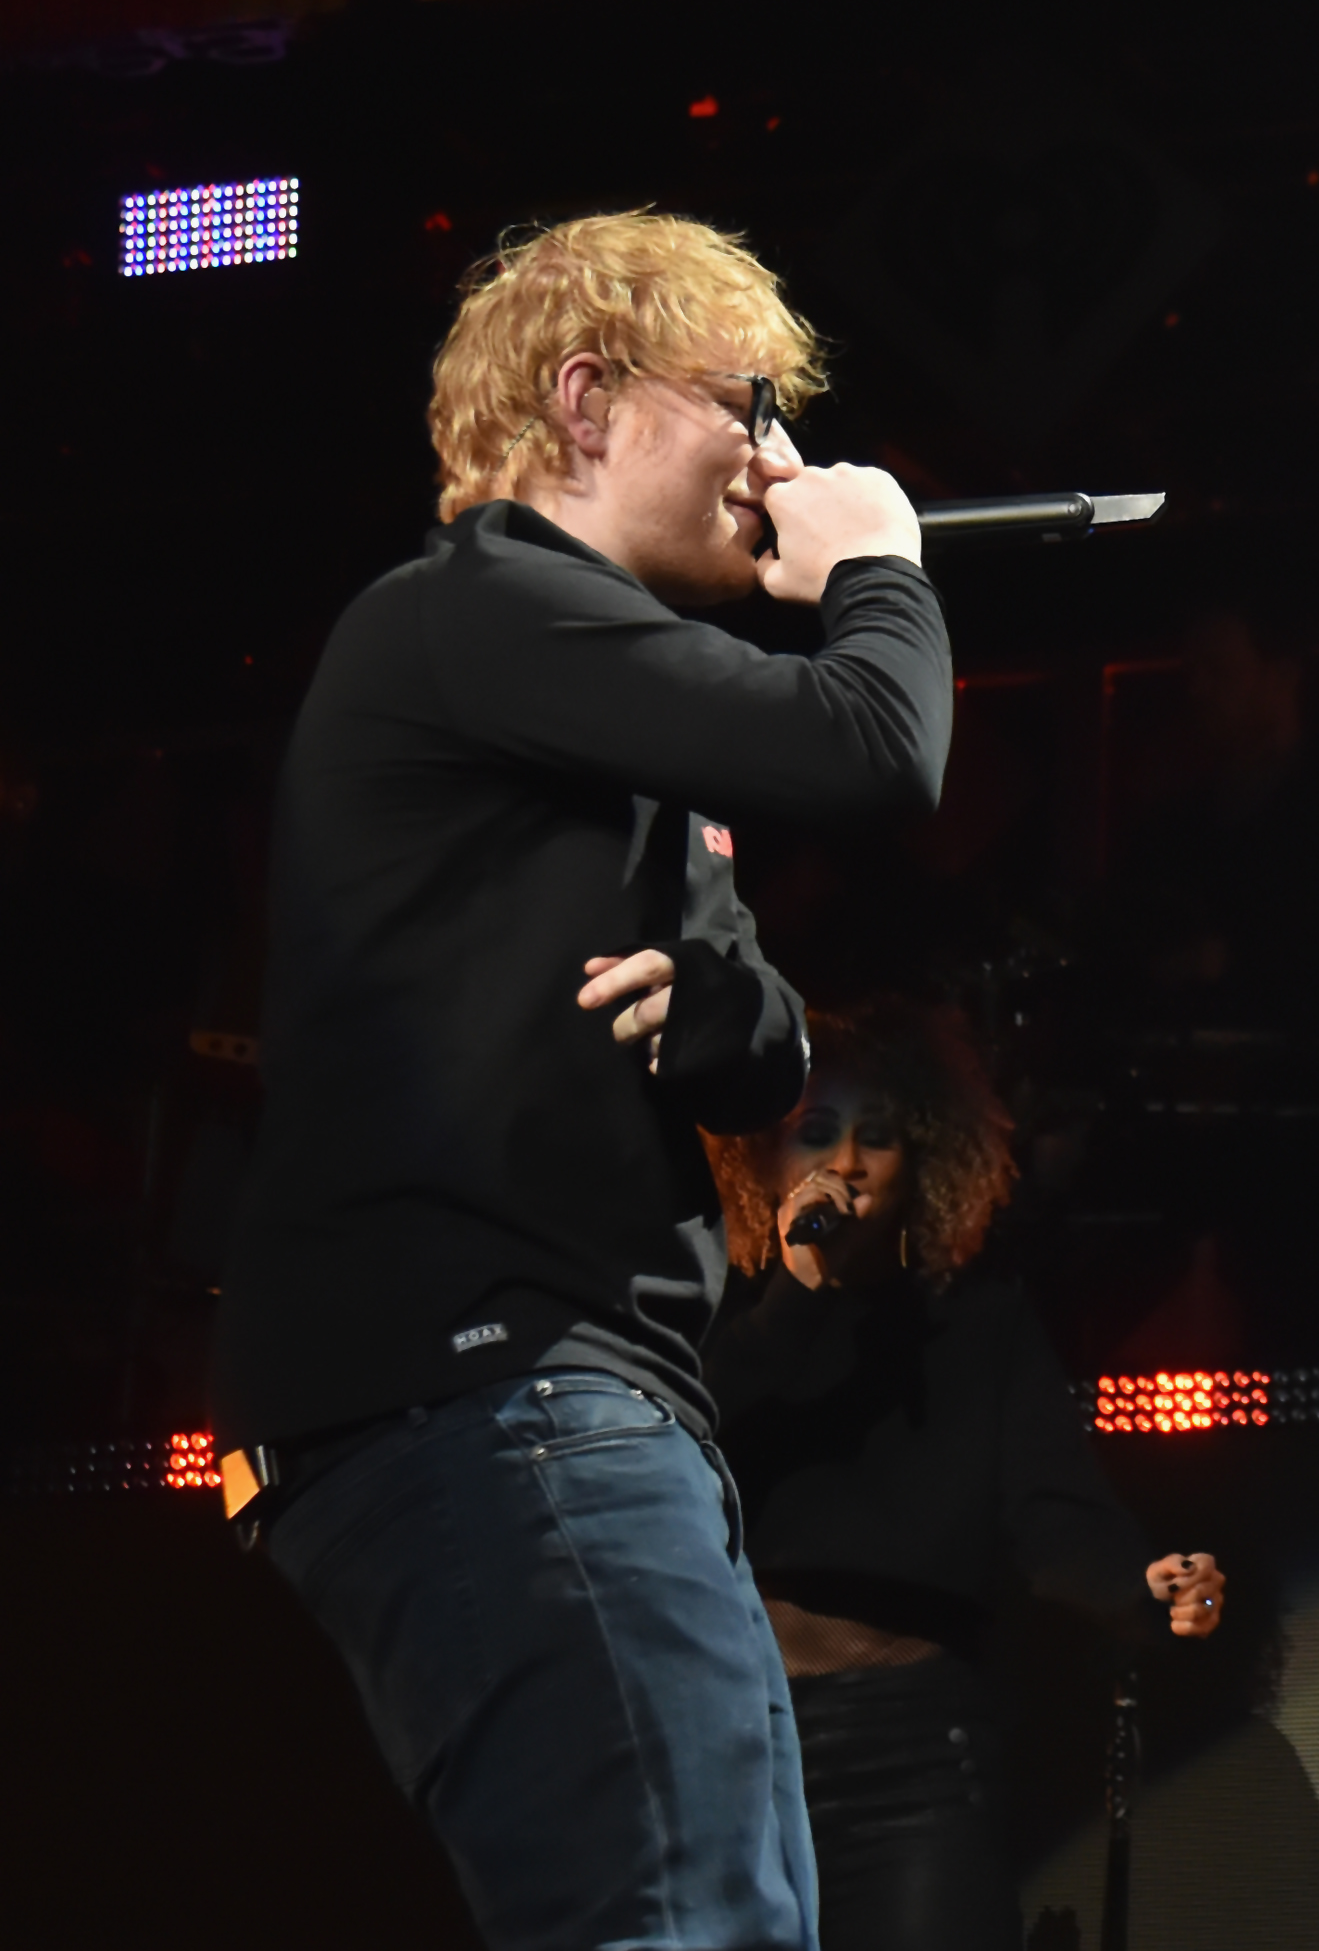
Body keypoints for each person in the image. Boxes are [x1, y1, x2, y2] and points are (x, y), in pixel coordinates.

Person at [216, 211, 952, 1950]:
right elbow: (869, 749)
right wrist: (881, 564)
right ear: (587, 398)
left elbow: (767, 1043)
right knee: (683, 1922)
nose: (776, 460)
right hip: (495, 1384)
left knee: (724, 1916)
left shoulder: (593, 714)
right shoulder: (481, 614)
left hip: (569, 1396)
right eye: (744, 403)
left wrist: (708, 1008)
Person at [704, 999, 1226, 1951]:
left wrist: (1147, 1589)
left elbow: (1055, 1517)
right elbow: (683, 1449)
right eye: (817, 1133)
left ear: (924, 1168)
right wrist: (793, 1301)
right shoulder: (727, 1323)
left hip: (906, 1755)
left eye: (879, 1139)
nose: (847, 1164)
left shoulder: (977, 1328)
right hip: (732, 1753)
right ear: (763, 1157)